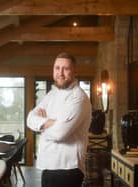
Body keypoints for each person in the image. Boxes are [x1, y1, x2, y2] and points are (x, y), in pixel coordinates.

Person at [27, 52, 92, 187]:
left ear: (74, 71)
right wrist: (50, 123)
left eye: (65, 69)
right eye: (57, 68)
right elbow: (29, 119)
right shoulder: (51, 94)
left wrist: (41, 127)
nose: (60, 73)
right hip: (48, 166)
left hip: (68, 168)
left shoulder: (78, 98)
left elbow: (59, 133)